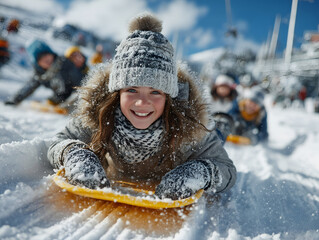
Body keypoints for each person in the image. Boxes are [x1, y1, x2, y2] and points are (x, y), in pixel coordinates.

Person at [47, 13, 237, 200]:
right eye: (132, 90)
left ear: (168, 97)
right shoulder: (100, 115)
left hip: (204, 131)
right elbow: (58, 142)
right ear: (117, 93)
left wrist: (201, 172)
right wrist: (74, 153)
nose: (142, 102)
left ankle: (223, 123)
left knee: (217, 133)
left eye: (155, 92)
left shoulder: (190, 126)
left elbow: (226, 169)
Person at [4, 39, 83, 106]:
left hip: (78, 94)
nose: (46, 59)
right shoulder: (40, 74)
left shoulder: (63, 63)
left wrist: (57, 99)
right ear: (37, 63)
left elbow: (76, 82)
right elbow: (29, 86)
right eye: (40, 58)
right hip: (62, 100)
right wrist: (15, 100)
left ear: (51, 53)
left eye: (46, 54)